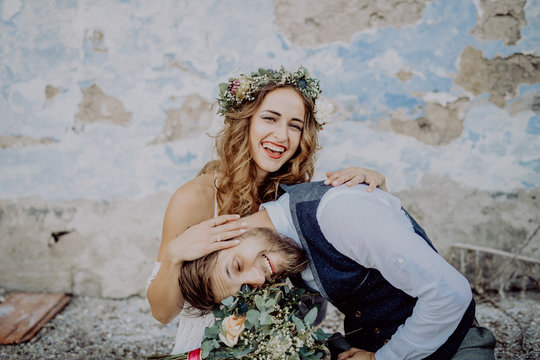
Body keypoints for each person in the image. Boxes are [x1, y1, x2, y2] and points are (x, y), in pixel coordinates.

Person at [146, 65, 388, 353]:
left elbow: (366, 253)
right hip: (213, 347)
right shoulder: (196, 197)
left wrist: (376, 189)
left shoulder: (298, 198)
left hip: (287, 344)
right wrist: (174, 255)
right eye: (270, 118)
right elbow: (162, 313)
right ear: (245, 122)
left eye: (295, 125)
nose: (282, 135)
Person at [179, 181, 497, 360]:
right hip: (365, 347)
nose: (258, 279)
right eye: (246, 287)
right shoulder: (280, 251)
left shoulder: (339, 213)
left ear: (229, 229)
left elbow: (451, 293)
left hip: (451, 344)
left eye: (236, 265)